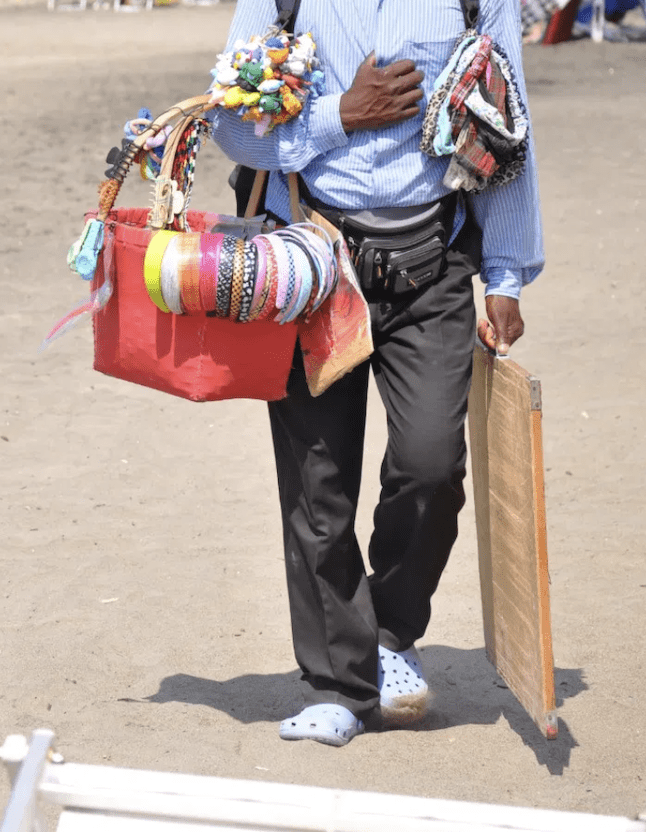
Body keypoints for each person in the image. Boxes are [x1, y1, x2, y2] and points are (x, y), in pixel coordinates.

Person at [211, 0, 544, 746]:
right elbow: (232, 127)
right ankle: (339, 685)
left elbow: (505, 121)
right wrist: (341, 114)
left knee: (431, 464)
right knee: (317, 486)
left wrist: (506, 276)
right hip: (310, 267)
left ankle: (392, 634)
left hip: (433, 269)